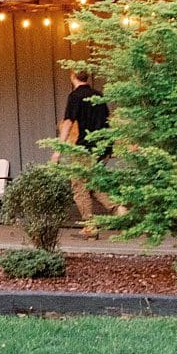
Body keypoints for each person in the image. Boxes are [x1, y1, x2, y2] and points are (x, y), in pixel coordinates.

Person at [58, 69, 113, 236]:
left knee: (79, 186)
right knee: (93, 184)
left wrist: (58, 149)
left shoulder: (75, 96)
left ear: (72, 76)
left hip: (86, 148)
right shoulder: (99, 95)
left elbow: (68, 122)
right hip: (104, 147)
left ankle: (90, 227)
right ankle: (119, 208)